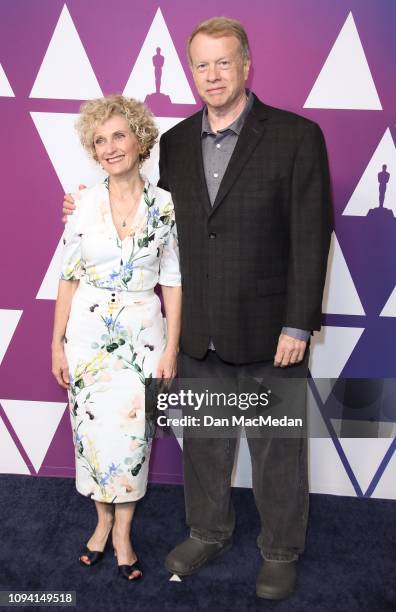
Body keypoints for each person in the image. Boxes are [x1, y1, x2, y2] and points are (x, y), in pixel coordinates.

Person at [63, 17, 332, 600]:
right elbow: (148, 209)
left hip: (270, 330)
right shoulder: (177, 141)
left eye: (223, 62)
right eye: (202, 65)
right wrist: (83, 205)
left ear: (246, 65)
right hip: (200, 330)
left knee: (278, 451)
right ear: (192, 71)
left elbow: (312, 236)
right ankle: (209, 531)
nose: (212, 75)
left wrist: (297, 322)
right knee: (206, 447)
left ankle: (281, 550)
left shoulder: (295, 136)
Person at [53, 95, 181, 581]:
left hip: (143, 337)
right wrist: (55, 343)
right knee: (91, 435)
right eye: (100, 140)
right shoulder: (81, 201)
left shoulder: (165, 204)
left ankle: (123, 532)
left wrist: (170, 346)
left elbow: (173, 278)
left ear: (139, 139)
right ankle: (101, 523)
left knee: (132, 438)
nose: (109, 148)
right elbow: (67, 274)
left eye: (118, 136)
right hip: (86, 338)